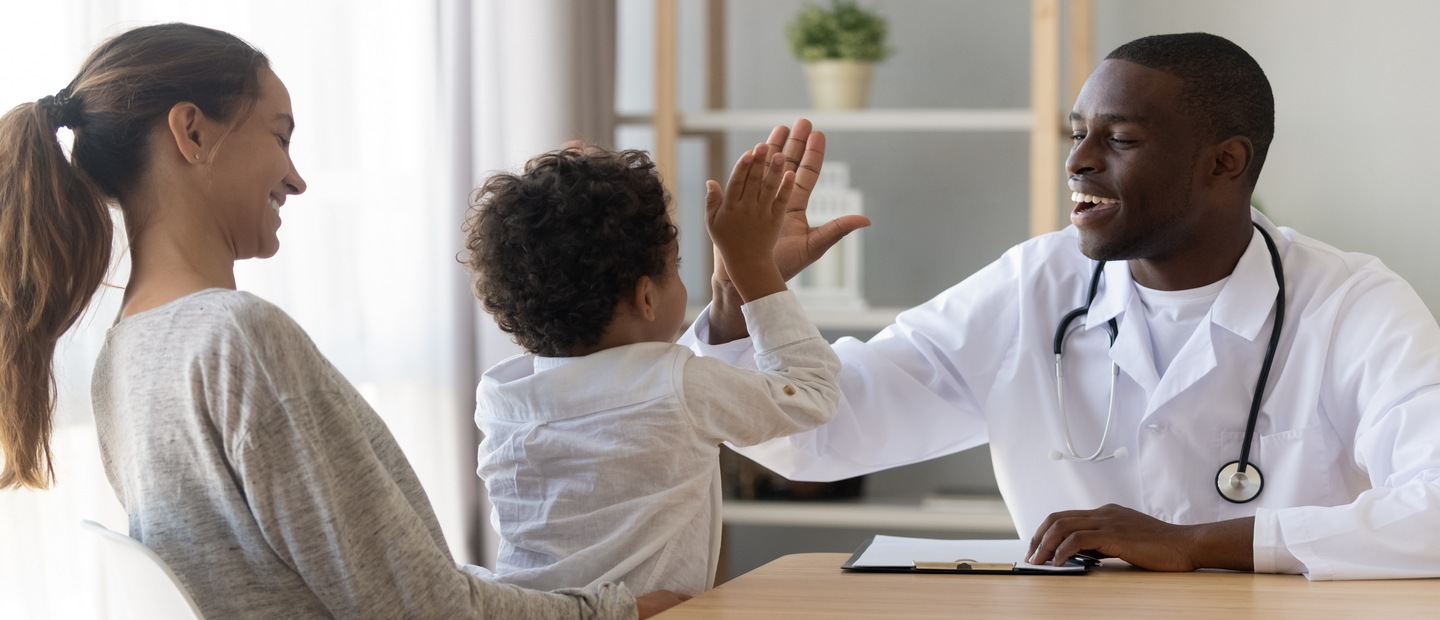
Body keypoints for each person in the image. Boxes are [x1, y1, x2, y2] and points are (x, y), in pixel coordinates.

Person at [684, 32, 1440, 581]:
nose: (1079, 160)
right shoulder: (1030, 286)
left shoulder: (1350, 305)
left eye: (1121, 139)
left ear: (1226, 162)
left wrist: (1195, 542)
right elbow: (821, 439)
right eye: (1079, 134)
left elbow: (1433, 512)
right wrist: (746, 288)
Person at [0, 23, 684, 618]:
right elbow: (422, 611)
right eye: (279, 135)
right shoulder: (234, 340)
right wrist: (611, 610)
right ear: (192, 131)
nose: (296, 179)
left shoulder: (127, 354)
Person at [461, 145, 841, 595]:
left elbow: (630, 381)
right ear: (646, 297)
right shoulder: (680, 388)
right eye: (674, 268)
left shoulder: (502, 395)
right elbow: (811, 394)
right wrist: (753, 268)